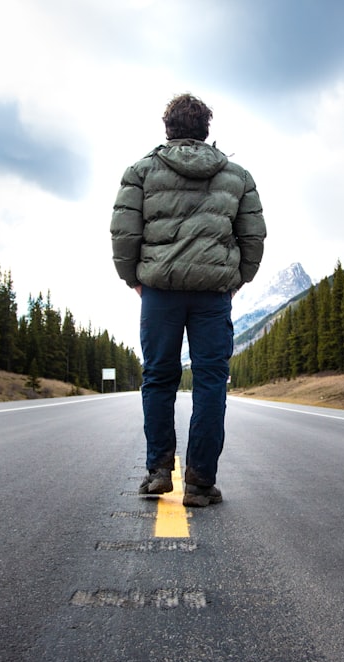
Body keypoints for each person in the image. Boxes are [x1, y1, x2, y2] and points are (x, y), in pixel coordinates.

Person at [110, 93, 266, 508]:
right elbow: (253, 237)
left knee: (159, 378)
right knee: (211, 382)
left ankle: (159, 471)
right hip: (212, 296)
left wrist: (134, 281)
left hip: (159, 292)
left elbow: (124, 232)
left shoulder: (140, 171)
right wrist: (236, 281)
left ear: (168, 129)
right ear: (205, 131)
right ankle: (199, 483)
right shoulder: (237, 175)